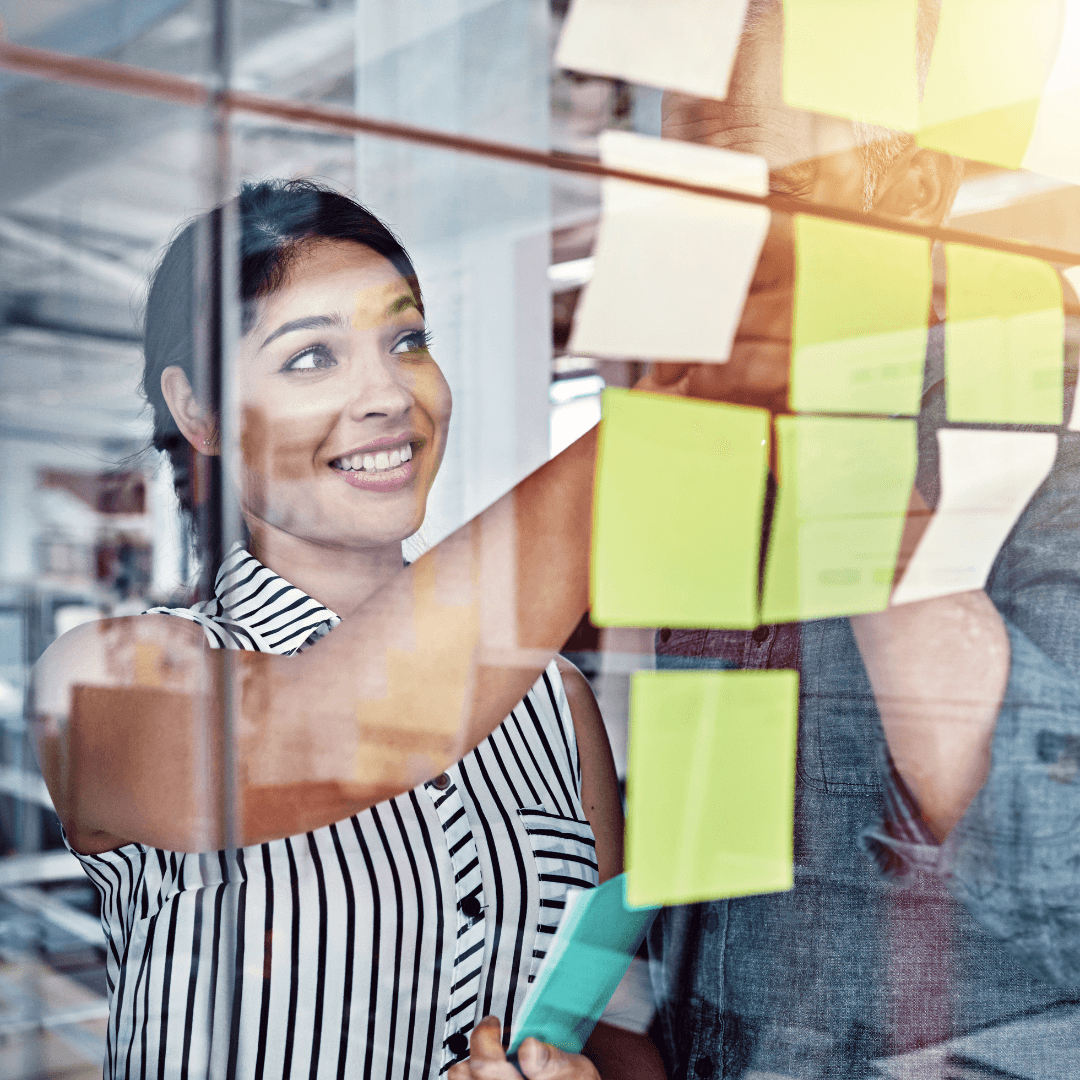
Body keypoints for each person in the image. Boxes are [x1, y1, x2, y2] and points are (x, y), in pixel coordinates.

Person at [31, 180, 669, 1080]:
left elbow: (606, 1020)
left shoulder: (555, 699)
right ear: (199, 413)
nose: (388, 395)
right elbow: (319, 728)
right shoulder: (104, 676)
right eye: (310, 357)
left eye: (407, 342)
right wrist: (671, 422)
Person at [645, 1, 1080, 1077]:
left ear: (917, 190)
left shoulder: (1044, 449)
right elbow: (701, 898)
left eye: (771, 191)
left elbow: (1055, 858)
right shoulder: (710, 464)